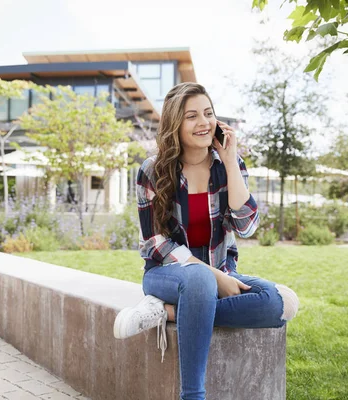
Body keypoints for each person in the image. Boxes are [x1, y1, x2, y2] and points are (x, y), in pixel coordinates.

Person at [113, 82, 299, 400]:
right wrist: (214, 277)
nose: (204, 122)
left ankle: (168, 313)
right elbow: (154, 242)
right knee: (199, 278)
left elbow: (247, 226)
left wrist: (229, 161)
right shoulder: (152, 170)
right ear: (175, 124)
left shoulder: (229, 167)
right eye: (192, 116)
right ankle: (193, 396)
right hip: (166, 274)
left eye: (208, 113)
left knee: (282, 303)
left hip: (221, 270)